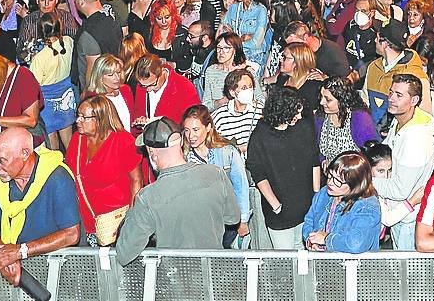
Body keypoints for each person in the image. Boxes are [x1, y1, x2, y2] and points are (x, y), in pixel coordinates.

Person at [111, 116, 238, 263]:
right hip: (214, 274)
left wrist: (132, 216)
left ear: (152, 152)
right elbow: (232, 218)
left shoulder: (148, 197)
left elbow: (124, 253)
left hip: (175, 280)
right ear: (182, 141)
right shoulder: (215, 174)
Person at [0, 128, 81, 287]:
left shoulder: (56, 176)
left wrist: (21, 251)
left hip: (62, 273)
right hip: (19, 273)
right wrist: (3, 254)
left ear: (24, 153)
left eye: (2, 160)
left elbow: (71, 234)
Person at [245, 85, 321, 249]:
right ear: (283, 111)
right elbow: (258, 173)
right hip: (280, 211)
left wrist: (317, 197)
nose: (300, 116)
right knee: (286, 257)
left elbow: (315, 160)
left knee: (304, 254)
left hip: (307, 205)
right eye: (296, 111)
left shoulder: (303, 127)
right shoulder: (261, 135)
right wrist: (275, 205)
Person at [66, 94, 143, 246]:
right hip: (84, 220)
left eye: (84, 117)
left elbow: (137, 181)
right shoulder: (77, 139)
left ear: (100, 119)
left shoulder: (123, 141)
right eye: (78, 115)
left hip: (115, 222)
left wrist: (131, 220)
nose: (77, 121)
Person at [372, 73, 434, 250]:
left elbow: (399, 190)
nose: (391, 98)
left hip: (409, 221)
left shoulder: (416, 139)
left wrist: (365, 180)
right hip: (400, 215)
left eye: (399, 95)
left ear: (414, 100)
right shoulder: (401, 121)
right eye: (391, 92)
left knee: (409, 275)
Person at [181, 104, 251, 246]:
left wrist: (243, 221)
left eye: (195, 130)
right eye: (187, 130)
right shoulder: (184, 157)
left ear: (208, 128)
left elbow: (241, 186)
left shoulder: (227, 151)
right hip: (200, 223)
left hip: (228, 221)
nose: (191, 136)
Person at [302, 151, 382, 253]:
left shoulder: (367, 207)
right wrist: (311, 240)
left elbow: (355, 244)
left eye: (338, 181)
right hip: (323, 263)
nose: (330, 183)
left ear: (356, 185)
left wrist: (326, 239)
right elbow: (309, 221)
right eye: (330, 176)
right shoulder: (323, 194)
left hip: (354, 266)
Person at [26, 14, 76, 151]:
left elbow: (33, 85)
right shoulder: (69, 41)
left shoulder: (40, 58)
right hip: (66, 94)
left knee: (51, 141)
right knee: (69, 140)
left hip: (47, 101)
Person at [130, 53, 201, 131]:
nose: (148, 89)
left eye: (153, 84)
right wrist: (140, 121)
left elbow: (195, 121)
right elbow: (138, 113)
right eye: (144, 86)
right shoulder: (142, 86)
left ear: (163, 71)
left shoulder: (184, 87)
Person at [315, 77, 377, 164]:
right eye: (321, 96)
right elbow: (316, 148)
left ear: (342, 100)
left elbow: (372, 153)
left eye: (328, 99)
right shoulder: (321, 117)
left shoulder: (359, 118)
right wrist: (323, 161)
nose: (322, 102)